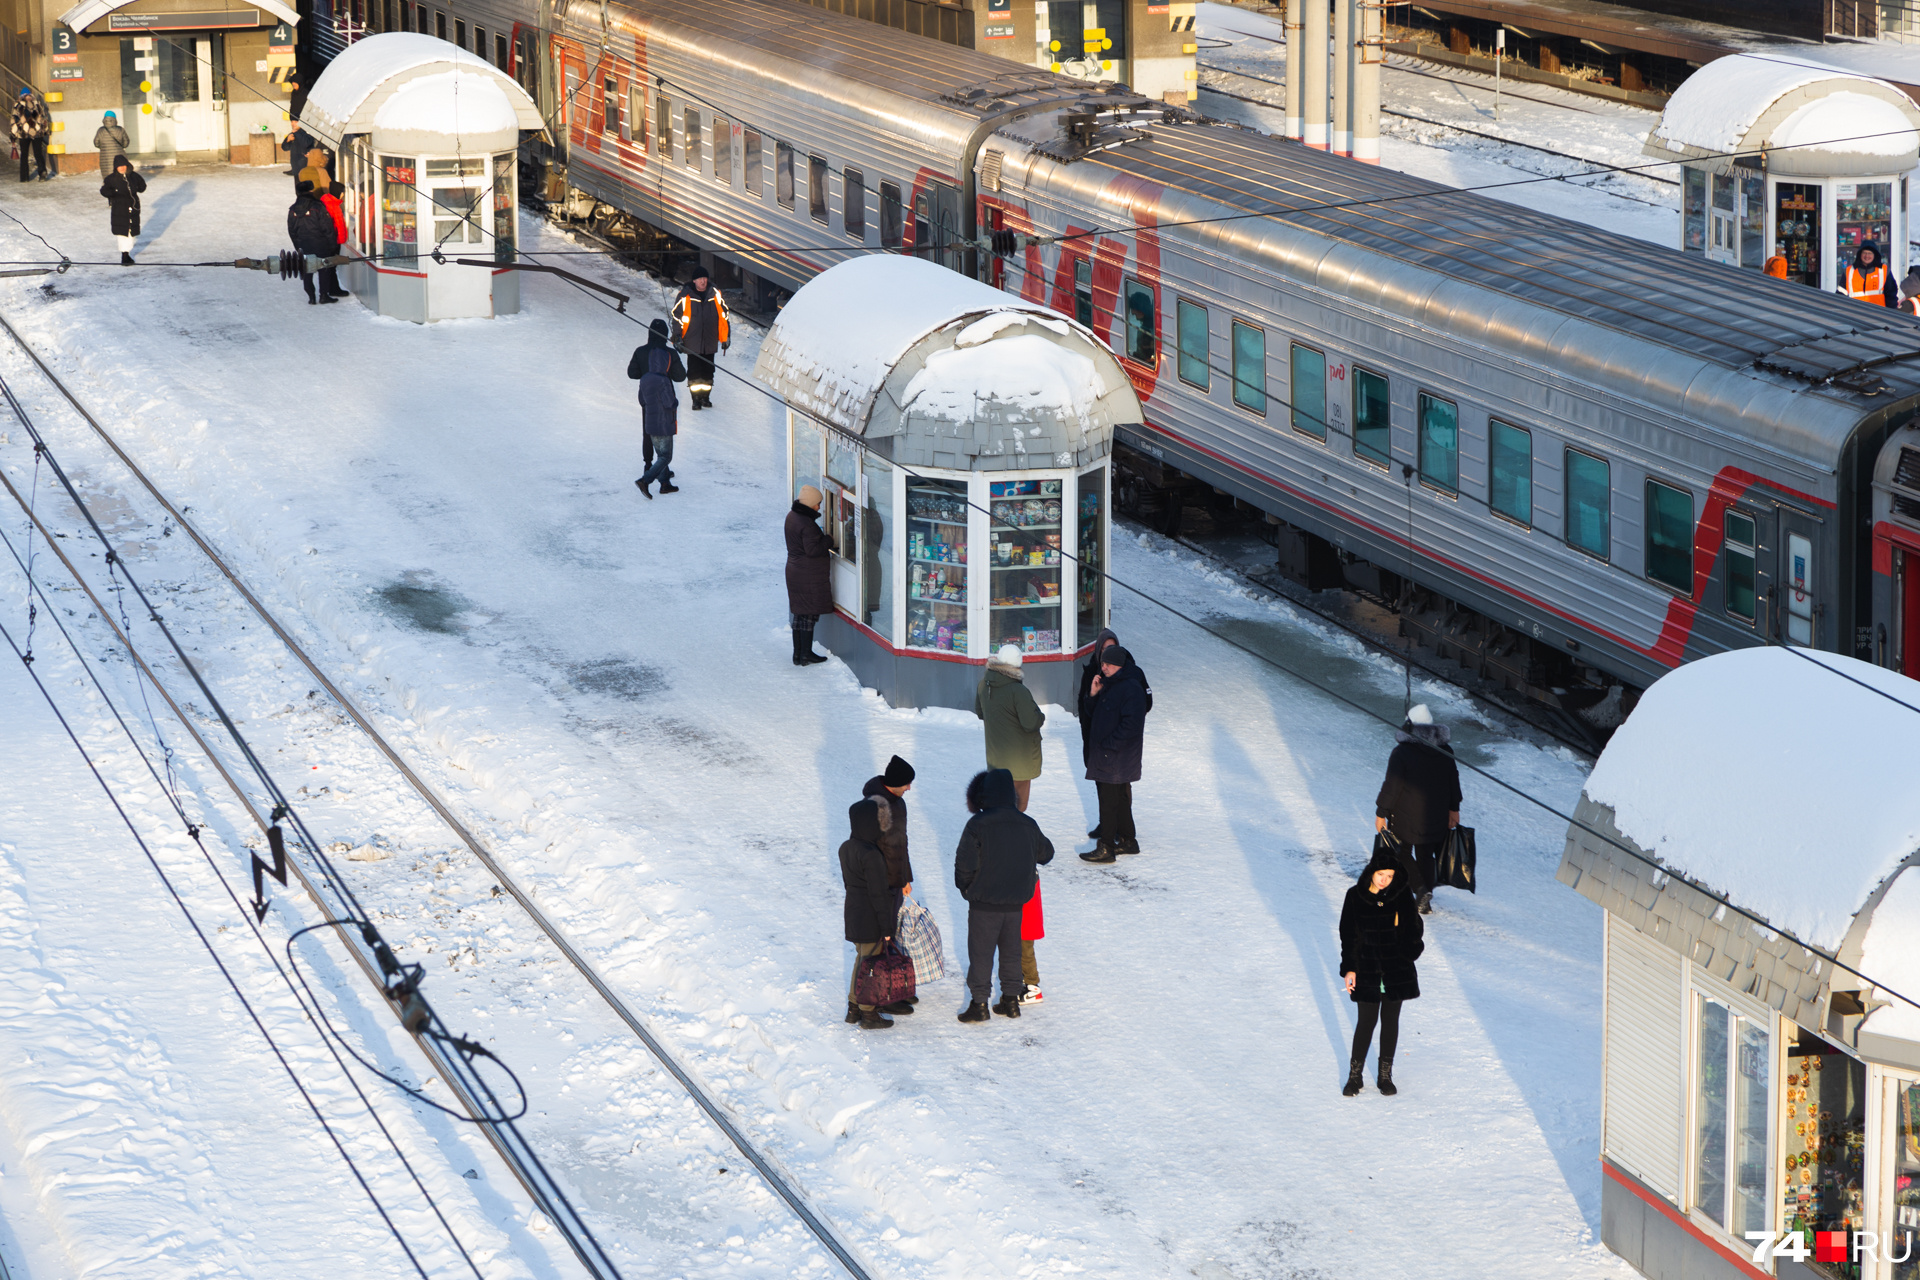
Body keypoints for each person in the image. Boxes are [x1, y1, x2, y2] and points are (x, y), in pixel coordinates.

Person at [953, 768, 1054, 1022]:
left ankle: (979, 1005)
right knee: (1011, 953)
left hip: (984, 904)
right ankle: (1010, 1002)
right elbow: (1047, 854)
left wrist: (968, 890)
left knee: (981, 954)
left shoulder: (977, 824)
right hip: (1016, 903)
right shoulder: (1027, 823)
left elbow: (964, 865)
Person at [1338, 844, 1423, 1096]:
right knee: (1366, 1021)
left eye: (1390, 876)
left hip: (1396, 970)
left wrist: (1402, 928)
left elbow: (1415, 932)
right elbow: (1348, 935)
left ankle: (1385, 1076)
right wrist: (1349, 969)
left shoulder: (1401, 896)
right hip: (1366, 970)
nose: (1385, 881)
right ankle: (1355, 1077)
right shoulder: (1355, 896)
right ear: (1371, 872)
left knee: (1390, 1021)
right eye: (1380, 875)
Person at [1372, 703, 1462, 914]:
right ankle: (1425, 898)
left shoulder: (1402, 752)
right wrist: (1454, 809)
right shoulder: (1446, 751)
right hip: (1436, 814)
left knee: (1400, 852)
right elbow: (1453, 782)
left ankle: (1420, 888)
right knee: (1425, 855)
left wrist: (1381, 812)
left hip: (1404, 815)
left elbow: (1392, 786)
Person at [840, 797, 911, 1030]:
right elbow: (878, 894)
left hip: (853, 911)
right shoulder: (871, 853)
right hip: (870, 915)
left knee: (861, 960)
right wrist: (887, 928)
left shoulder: (846, 847)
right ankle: (868, 1013)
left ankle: (853, 1008)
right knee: (870, 964)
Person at [1079, 645, 1149, 863]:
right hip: (1110, 754)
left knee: (1108, 801)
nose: (1104, 667)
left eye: (1108, 664)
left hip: (1116, 755)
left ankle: (1107, 847)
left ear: (1119, 665)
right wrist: (1093, 694)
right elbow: (1093, 715)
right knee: (1118, 799)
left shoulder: (1131, 688)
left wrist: (1109, 745)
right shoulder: (1109, 684)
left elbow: (1132, 725)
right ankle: (1129, 841)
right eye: (1102, 663)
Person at [974, 644, 1045, 811]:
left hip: (995, 760)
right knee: (1018, 809)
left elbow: (980, 712)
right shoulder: (1018, 691)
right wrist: (1040, 716)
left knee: (998, 806)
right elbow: (1031, 722)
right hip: (1019, 762)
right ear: (1017, 666)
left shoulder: (984, 685)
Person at [627, 319, 685, 493]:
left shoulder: (640, 351)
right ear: (665, 335)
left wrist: (647, 374)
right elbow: (680, 376)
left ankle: (650, 466)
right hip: (665, 398)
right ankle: (657, 476)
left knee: (648, 431)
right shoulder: (669, 353)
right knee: (664, 433)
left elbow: (632, 373)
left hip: (646, 396)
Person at [785, 485, 832, 666]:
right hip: (807, 574)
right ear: (811, 504)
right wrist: (828, 539)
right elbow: (813, 550)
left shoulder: (792, 516)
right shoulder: (807, 524)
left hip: (795, 571)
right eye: (818, 504)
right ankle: (806, 655)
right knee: (808, 615)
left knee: (799, 615)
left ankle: (798, 654)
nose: (819, 508)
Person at [669, 268, 730, 409]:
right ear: (694, 281)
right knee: (694, 372)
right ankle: (695, 399)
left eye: (705, 278)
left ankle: (705, 397)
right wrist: (677, 336)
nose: (703, 281)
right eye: (700, 278)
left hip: (710, 340)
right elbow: (676, 317)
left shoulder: (715, 294)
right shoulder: (684, 296)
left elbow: (724, 316)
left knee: (708, 371)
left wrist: (726, 336)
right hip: (692, 342)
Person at [861, 754, 915, 901]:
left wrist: (905, 879)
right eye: (907, 783)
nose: (909, 788)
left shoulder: (899, 803)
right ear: (897, 782)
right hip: (877, 886)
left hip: (895, 884)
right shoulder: (872, 805)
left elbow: (900, 845)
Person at [286, 179, 341, 304]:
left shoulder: (292, 209)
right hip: (320, 244)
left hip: (303, 244)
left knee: (307, 269)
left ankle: (311, 297)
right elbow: (327, 228)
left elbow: (291, 230)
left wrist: (297, 245)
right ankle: (323, 295)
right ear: (311, 190)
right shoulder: (318, 206)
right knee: (323, 269)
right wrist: (332, 245)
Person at [100, 158, 145, 266]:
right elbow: (104, 190)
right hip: (119, 208)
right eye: (119, 166)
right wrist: (114, 193)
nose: (122, 168)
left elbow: (142, 187)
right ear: (116, 167)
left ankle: (127, 253)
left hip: (133, 207)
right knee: (122, 232)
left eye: (123, 166)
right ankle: (124, 255)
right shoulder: (111, 179)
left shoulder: (133, 176)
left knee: (131, 231)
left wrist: (137, 187)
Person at [316, 184, 350, 298]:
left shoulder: (329, 202)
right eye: (342, 191)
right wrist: (337, 240)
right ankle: (332, 290)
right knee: (331, 265)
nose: (343, 194)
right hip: (332, 240)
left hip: (331, 239)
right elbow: (336, 225)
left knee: (331, 265)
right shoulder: (332, 205)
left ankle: (332, 289)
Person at [1843, 240, 1897, 308]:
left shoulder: (1884, 271)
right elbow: (1840, 296)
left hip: (1878, 316)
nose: (1867, 256)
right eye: (1864, 253)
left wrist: (1892, 315)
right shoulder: (1849, 271)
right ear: (1860, 254)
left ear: (1875, 255)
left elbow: (1891, 296)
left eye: (1870, 253)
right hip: (1854, 315)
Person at [12, 89, 50, 183]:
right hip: (35, 133)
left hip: (25, 134)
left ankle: (25, 177)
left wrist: (13, 134)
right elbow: (42, 118)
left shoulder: (18, 106)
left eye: (28, 95)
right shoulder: (37, 104)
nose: (28, 97)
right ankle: (42, 172)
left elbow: (15, 120)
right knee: (37, 153)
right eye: (26, 95)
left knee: (26, 155)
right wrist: (44, 130)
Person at [92, 112, 130, 179]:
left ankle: (109, 187)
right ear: (115, 119)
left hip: (105, 156)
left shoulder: (101, 130)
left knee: (107, 174)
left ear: (104, 119)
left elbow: (96, 143)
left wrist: (104, 147)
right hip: (119, 156)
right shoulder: (120, 129)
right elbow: (126, 143)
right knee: (120, 173)